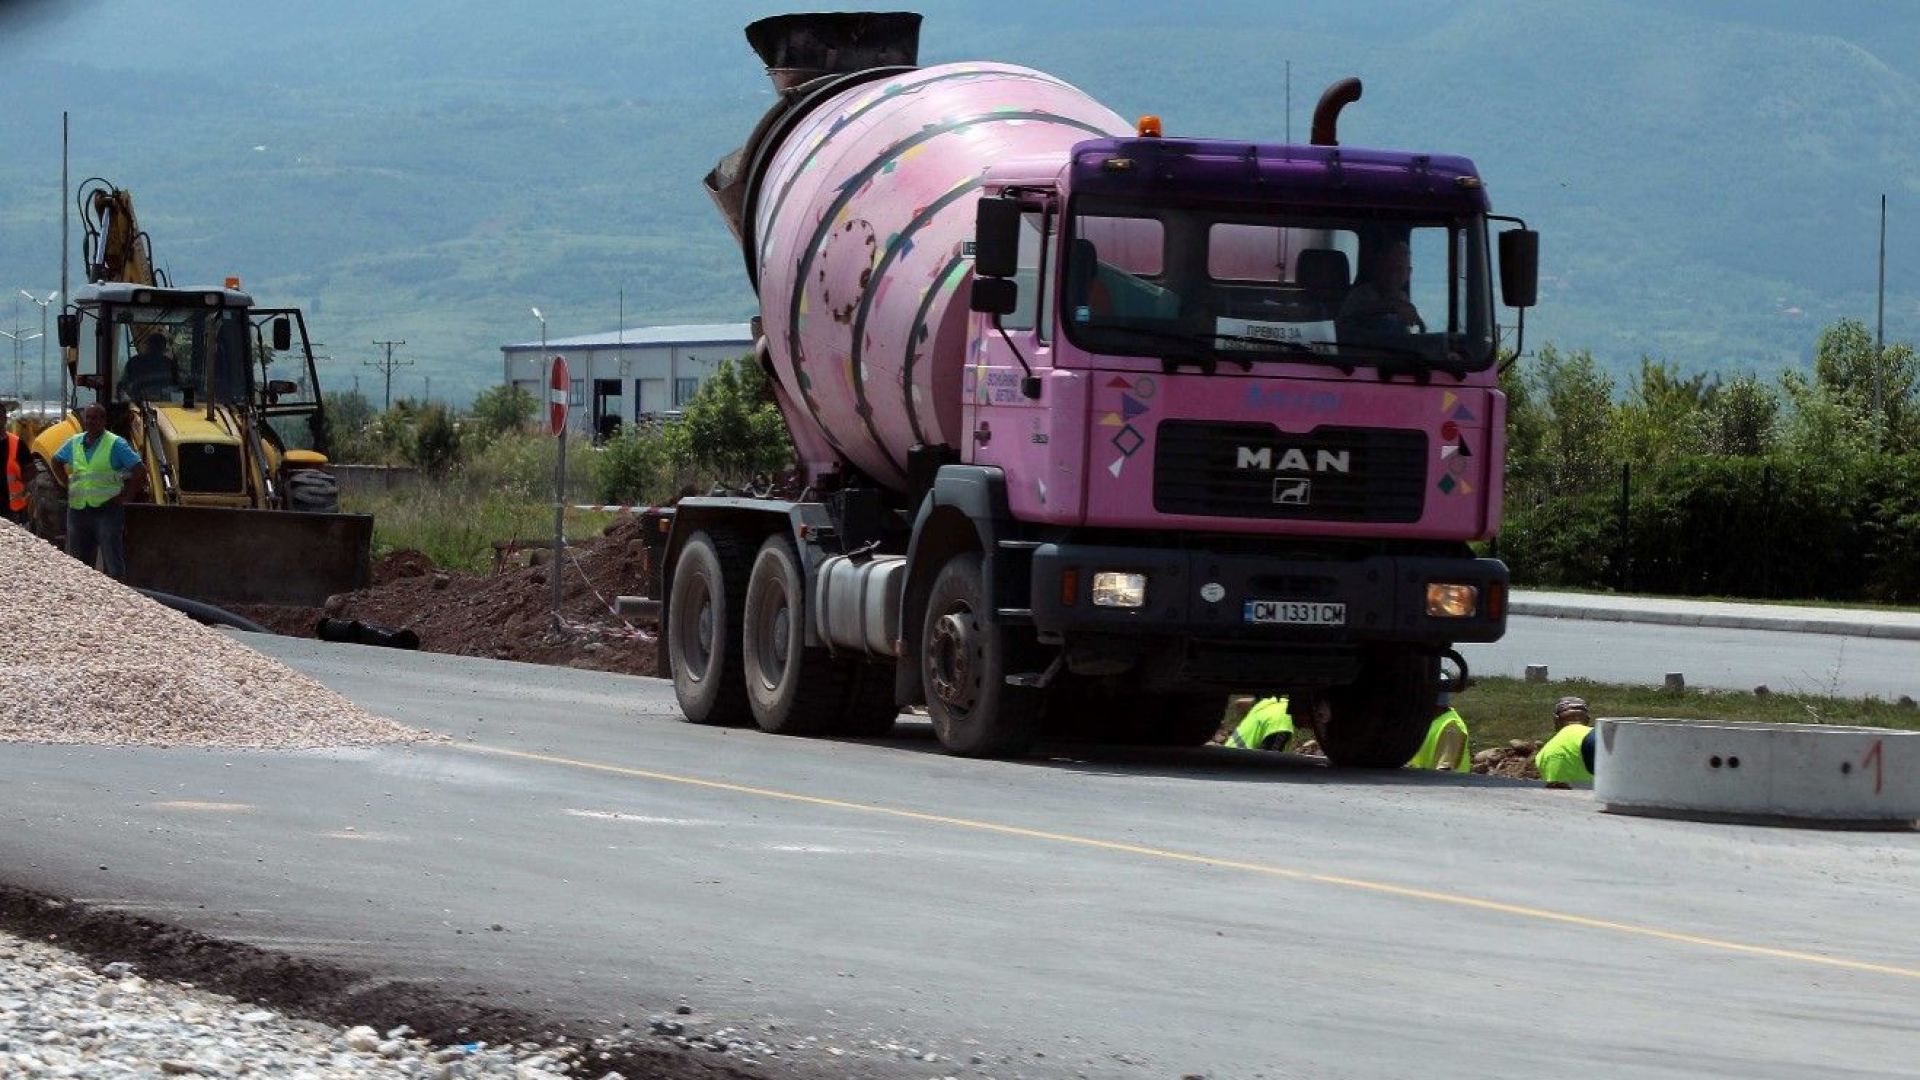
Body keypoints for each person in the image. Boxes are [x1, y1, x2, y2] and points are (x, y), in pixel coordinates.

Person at [50, 403, 145, 578]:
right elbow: (56, 460)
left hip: (107, 510)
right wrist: (66, 483)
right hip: (78, 510)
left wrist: (127, 496)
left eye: (95, 418)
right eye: (88, 418)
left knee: (113, 562)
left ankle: (116, 591)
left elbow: (139, 470)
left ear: (103, 420)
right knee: (78, 564)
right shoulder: (75, 442)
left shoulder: (116, 444)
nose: (90, 422)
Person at [1337, 241, 1424, 335]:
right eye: (1388, 268)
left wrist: (1417, 321)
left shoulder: (1402, 298)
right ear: (1378, 267)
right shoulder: (1359, 295)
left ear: (1408, 273)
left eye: (1399, 269)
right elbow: (1355, 316)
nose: (1393, 275)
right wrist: (1391, 307)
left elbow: (1413, 331)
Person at [1534, 695, 1597, 785]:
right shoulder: (1600, 735)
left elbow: (1556, 790)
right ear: (1587, 719)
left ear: (1556, 720)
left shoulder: (1546, 753)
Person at [1407, 697, 1471, 772]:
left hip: (1436, 779)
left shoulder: (1451, 726)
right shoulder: (1425, 721)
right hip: (1418, 777)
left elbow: (1444, 772)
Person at [1225, 695, 1297, 751]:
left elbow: (1239, 703)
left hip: (1229, 750)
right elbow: (1269, 760)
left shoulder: (1275, 702)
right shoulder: (1282, 723)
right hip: (1239, 760)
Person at [121, 333, 174, 402]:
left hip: (140, 404)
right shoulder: (170, 364)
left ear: (147, 346)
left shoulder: (134, 362)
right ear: (163, 348)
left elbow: (124, 386)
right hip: (164, 404)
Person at [1, 401, 30, 526]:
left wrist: (25, 491)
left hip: (12, 511)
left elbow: (31, 472)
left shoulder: (17, 444)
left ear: (5, 419)